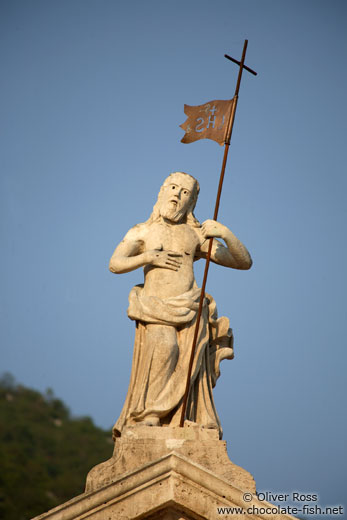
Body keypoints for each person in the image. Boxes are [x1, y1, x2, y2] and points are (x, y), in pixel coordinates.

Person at [109, 172, 252, 438]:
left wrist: (225, 233)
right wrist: (148, 257)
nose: (177, 195)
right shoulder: (142, 231)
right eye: (173, 188)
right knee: (166, 349)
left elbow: (243, 262)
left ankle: (178, 416)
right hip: (155, 307)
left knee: (188, 364)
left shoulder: (195, 235)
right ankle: (151, 413)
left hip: (189, 309)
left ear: (192, 202)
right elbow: (115, 263)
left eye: (185, 192)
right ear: (162, 192)